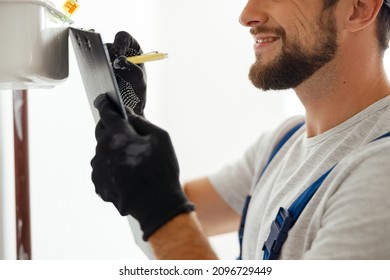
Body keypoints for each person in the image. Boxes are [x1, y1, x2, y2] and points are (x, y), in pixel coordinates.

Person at [91, 0, 390, 259]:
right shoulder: (282, 144)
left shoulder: (380, 173)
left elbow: (165, 214)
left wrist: (160, 208)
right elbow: (172, 215)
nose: (247, 15)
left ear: (358, 8)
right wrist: (129, 116)